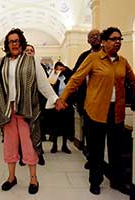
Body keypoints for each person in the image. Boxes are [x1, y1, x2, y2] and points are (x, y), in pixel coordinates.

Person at [0, 28, 60, 194]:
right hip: (7, 111)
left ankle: (33, 179)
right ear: (7, 45)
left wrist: (54, 98)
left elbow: (43, 84)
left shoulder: (32, 62)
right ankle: (11, 177)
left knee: (28, 144)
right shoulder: (0, 64)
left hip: (26, 111)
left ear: (21, 43)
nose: (14, 44)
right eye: (10, 41)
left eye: (17, 41)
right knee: (9, 144)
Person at [56, 27, 135, 195]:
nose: (117, 42)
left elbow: (133, 81)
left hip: (116, 112)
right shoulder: (93, 59)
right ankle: (95, 181)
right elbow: (76, 79)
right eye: (113, 39)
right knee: (96, 149)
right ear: (104, 42)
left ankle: (117, 181)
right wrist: (62, 98)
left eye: (120, 39)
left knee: (116, 149)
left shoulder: (123, 62)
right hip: (96, 111)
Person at [72, 29, 102, 168]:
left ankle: (100, 161)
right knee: (90, 132)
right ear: (88, 41)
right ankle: (91, 158)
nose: (95, 38)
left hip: (104, 100)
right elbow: (75, 77)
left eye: (98, 36)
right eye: (92, 37)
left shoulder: (108, 54)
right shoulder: (84, 56)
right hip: (87, 101)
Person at [19, 44, 45, 166]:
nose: (29, 52)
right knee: (23, 132)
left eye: (31, 50)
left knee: (37, 130)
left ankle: (39, 154)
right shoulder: (19, 67)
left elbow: (44, 85)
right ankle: (23, 155)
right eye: (27, 50)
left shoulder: (40, 67)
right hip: (22, 105)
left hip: (37, 104)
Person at [49, 61, 74, 154]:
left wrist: (65, 68)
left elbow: (74, 74)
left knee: (66, 126)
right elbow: (50, 90)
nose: (60, 70)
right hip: (56, 105)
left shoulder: (68, 78)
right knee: (55, 126)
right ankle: (54, 145)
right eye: (58, 68)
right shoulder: (53, 79)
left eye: (61, 68)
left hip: (67, 105)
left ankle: (64, 145)